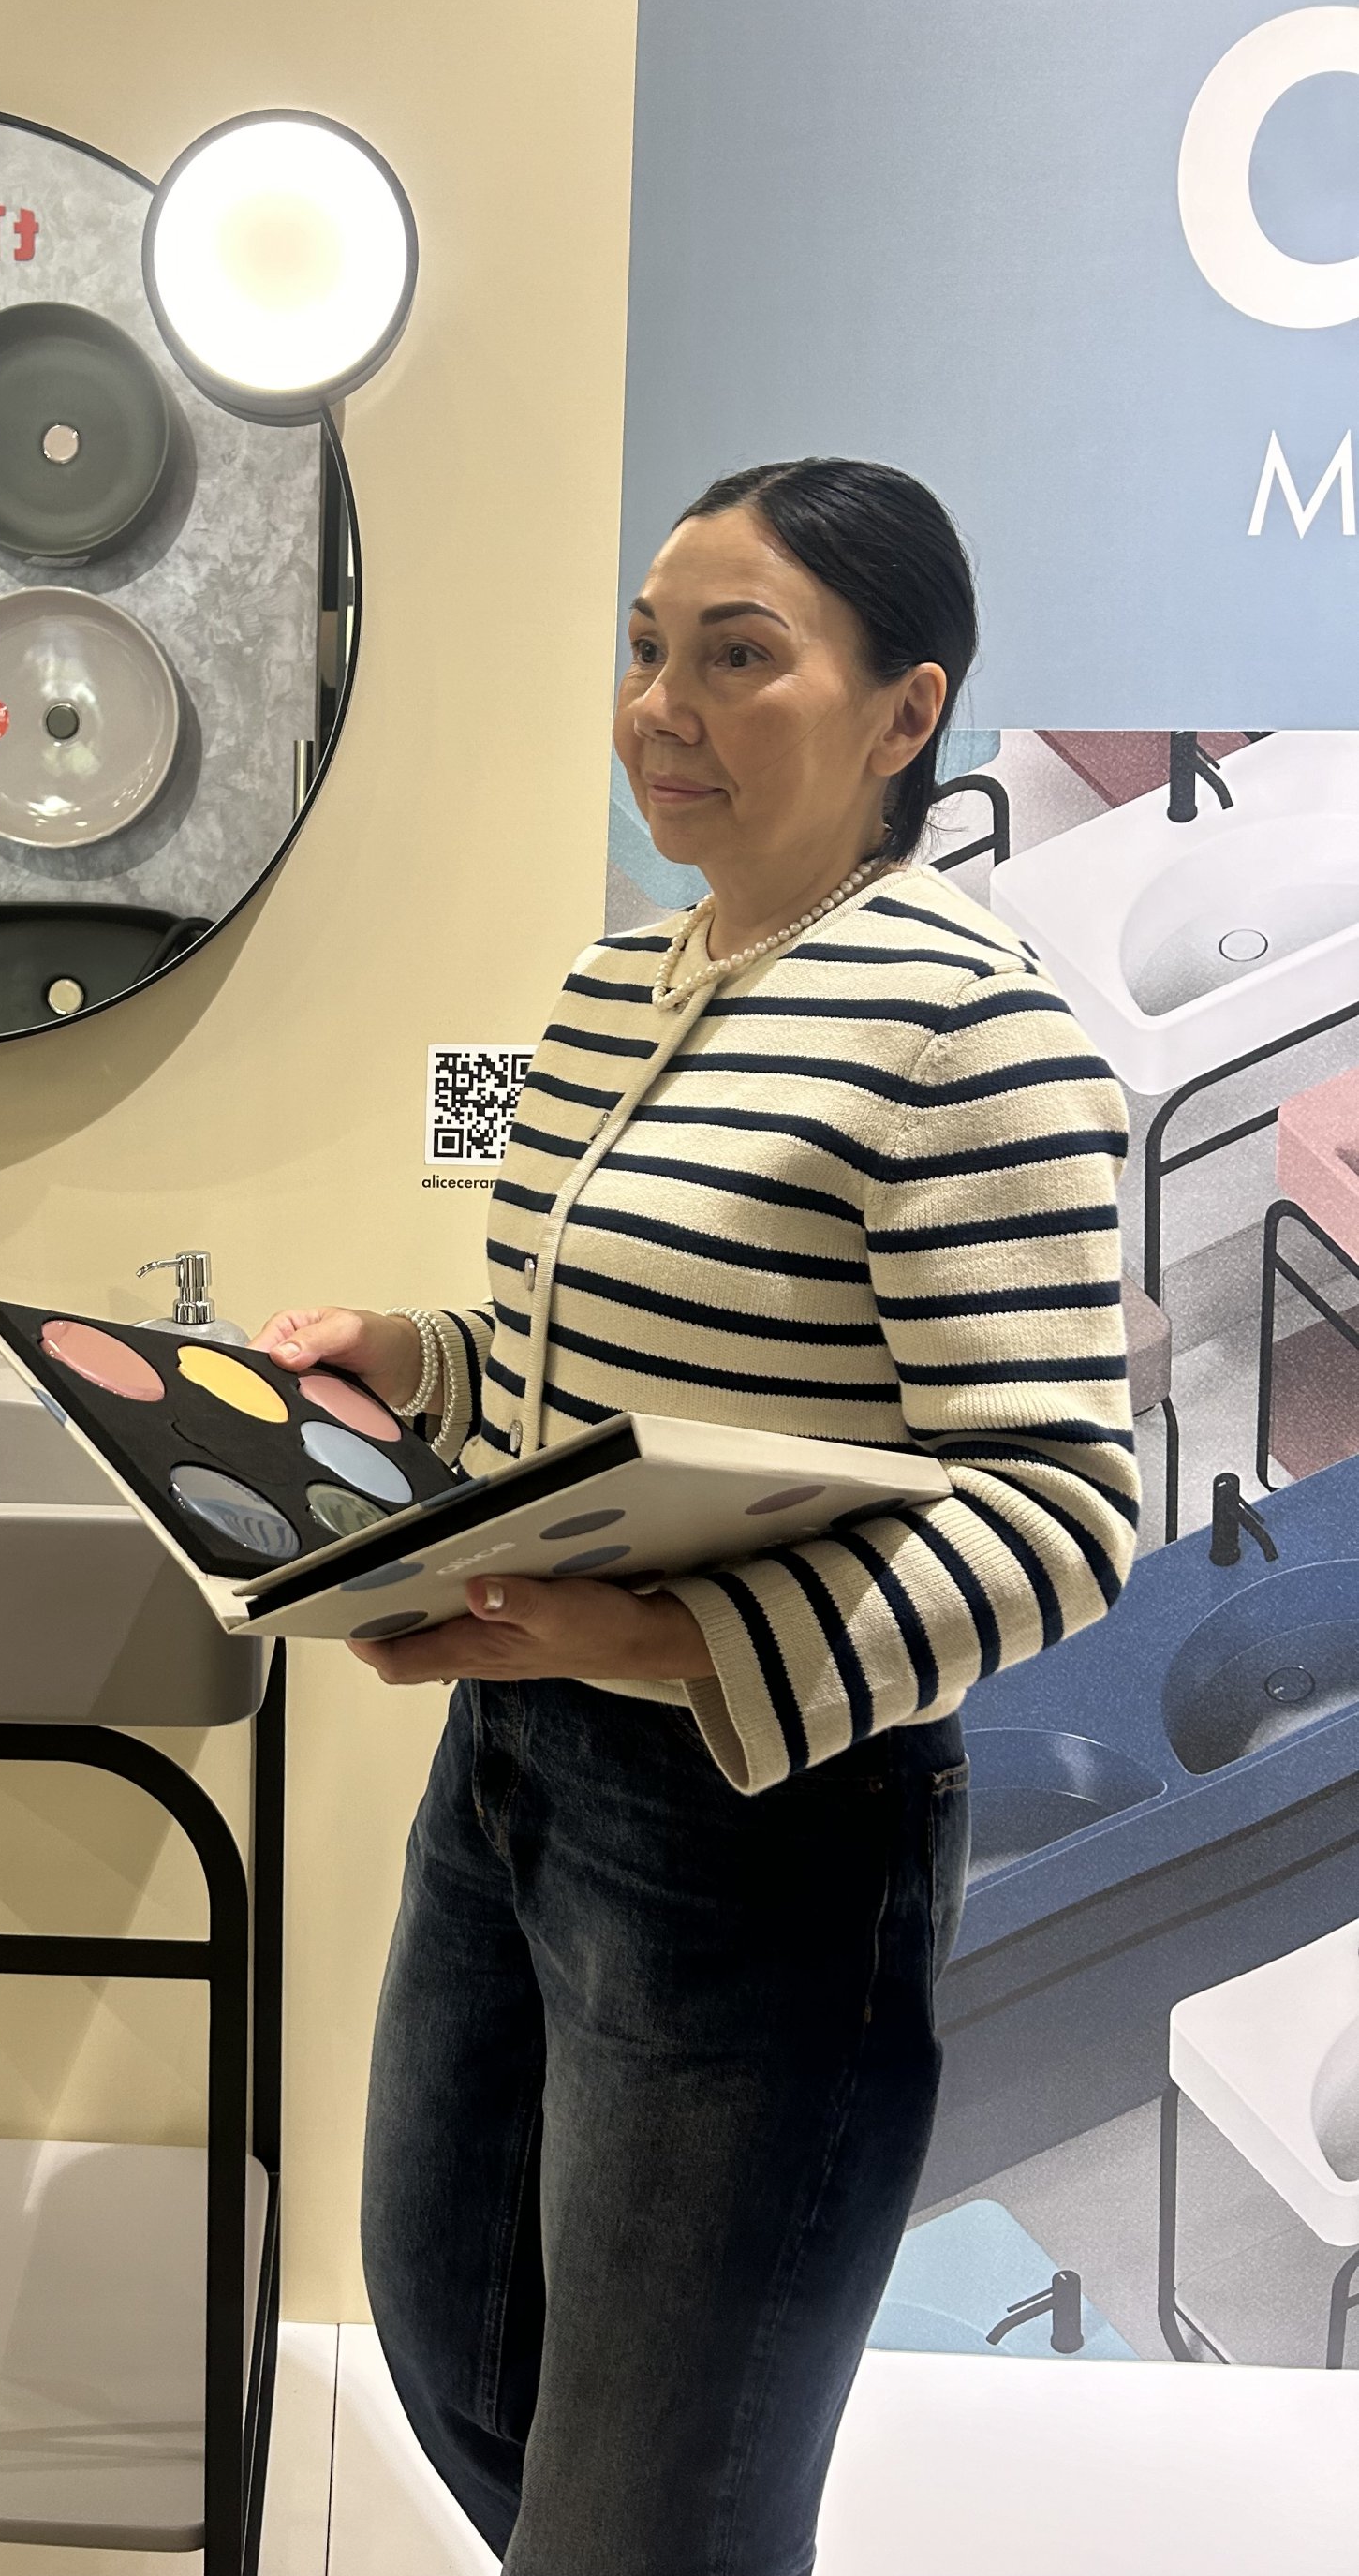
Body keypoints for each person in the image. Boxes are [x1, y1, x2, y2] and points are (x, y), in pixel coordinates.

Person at [257, 459, 1137, 2574]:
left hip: (763, 1834)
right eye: (648, 650)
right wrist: (419, 1355)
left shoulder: (969, 1026)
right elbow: (570, 1345)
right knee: (459, 2345)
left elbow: (1065, 1507)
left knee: (654, 2496)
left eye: (739, 657)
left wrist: (669, 1642)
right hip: (510, 1770)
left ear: (905, 711)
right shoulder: (610, 988)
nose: (661, 707)